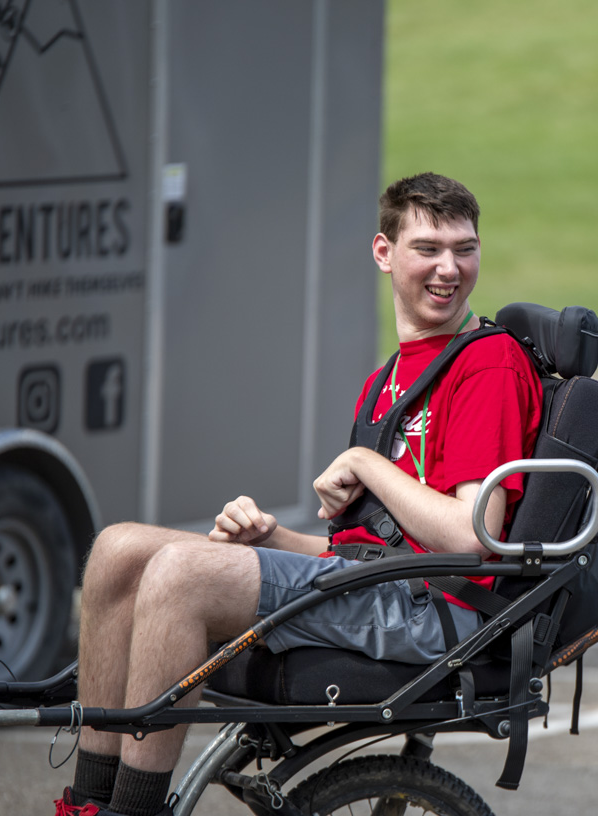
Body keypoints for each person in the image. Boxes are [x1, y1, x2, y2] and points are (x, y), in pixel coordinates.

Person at [53, 172, 543, 816]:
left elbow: (472, 537)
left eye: (465, 248)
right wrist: (271, 541)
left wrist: (366, 462)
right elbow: (361, 548)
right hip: (378, 585)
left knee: (180, 574)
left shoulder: (487, 364)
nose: (449, 268)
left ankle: (134, 809)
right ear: (384, 251)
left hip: (439, 610)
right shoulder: (387, 380)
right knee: (117, 549)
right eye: (428, 248)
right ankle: (89, 800)